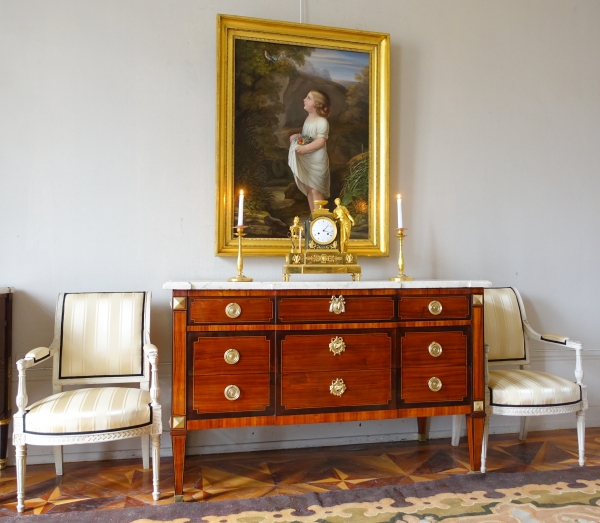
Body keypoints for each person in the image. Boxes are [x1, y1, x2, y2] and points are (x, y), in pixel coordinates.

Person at [288, 90, 331, 212]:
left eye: (308, 98)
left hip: (317, 160)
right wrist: (297, 136)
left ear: (316, 104)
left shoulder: (322, 121)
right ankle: (314, 218)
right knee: (309, 189)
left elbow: (320, 141)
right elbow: (309, 138)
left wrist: (306, 148)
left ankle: (320, 218)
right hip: (308, 159)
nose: (304, 99)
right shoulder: (308, 119)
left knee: (315, 189)